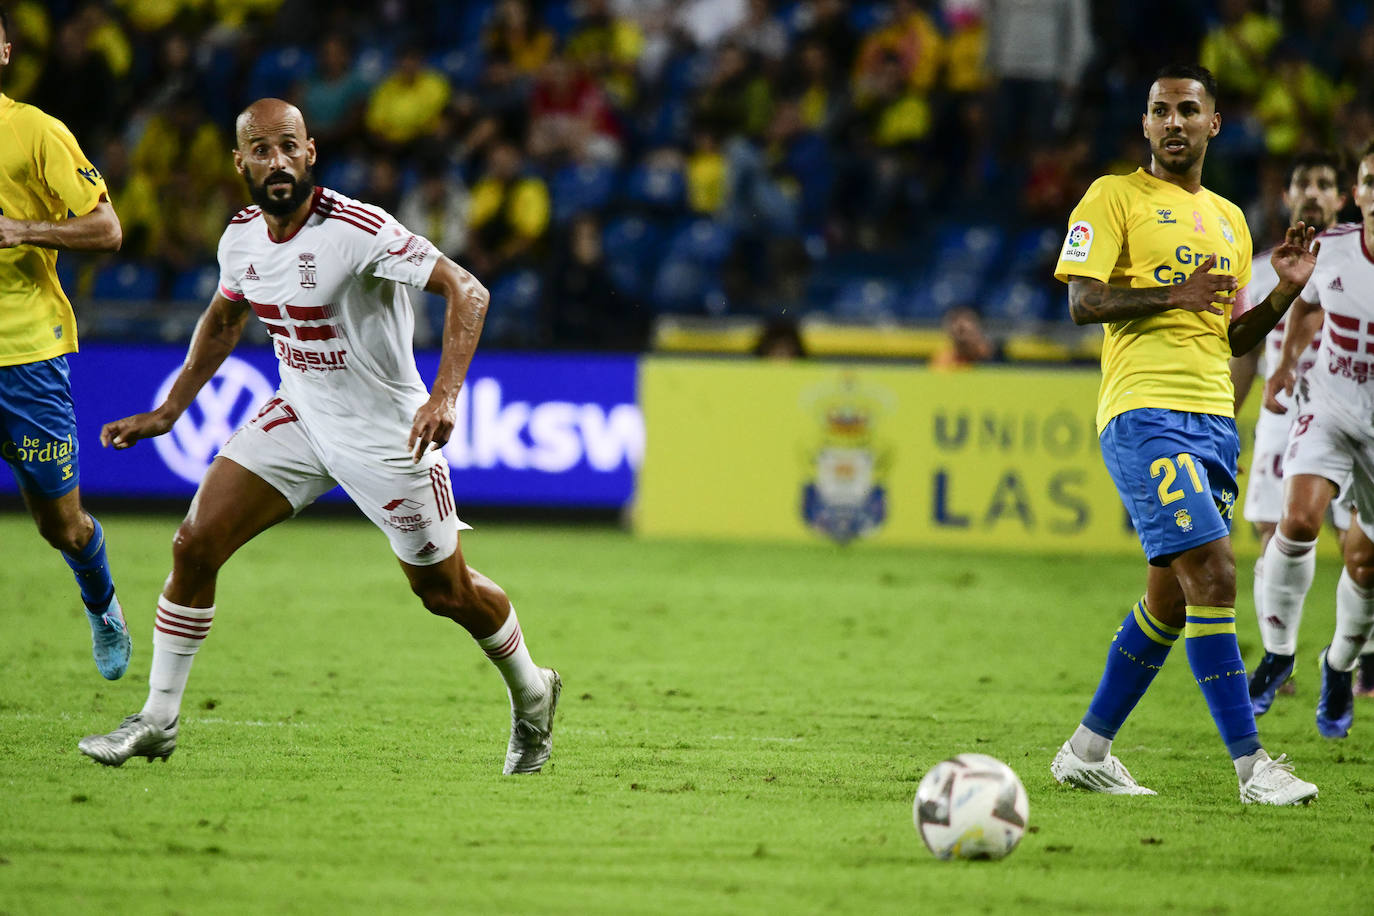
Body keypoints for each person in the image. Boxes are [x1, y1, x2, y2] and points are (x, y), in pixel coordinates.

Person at [77, 99, 560, 773]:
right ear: (240, 162)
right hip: (300, 414)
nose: (276, 161)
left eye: (288, 147)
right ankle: (157, 719)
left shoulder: (358, 229)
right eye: (261, 149)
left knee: (445, 594)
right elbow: (222, 323)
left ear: (310, 155)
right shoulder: (241, 236)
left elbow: (468, 290)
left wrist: (446, 396)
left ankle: (533, 692)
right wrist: (170, 410)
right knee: (194, 544)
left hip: (388, 434)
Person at [1050, 64, 1319, 804]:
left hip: (1211, 419)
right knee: (1216, 575)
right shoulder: (1113, 197)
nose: (1173, 122)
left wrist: (1283, 295)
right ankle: (1252, 768)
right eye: (1159, 110)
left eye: (1187, 110)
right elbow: (1082, 301)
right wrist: (1177, 291)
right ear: (1144, 125)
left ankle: (1086, 751)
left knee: (1171, 600)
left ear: (1213, 123)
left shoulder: (1231, 219)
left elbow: (1232, 337)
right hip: (1143, 412)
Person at [0, 4, 131, 681]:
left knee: (63, 526)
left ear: (5, 53)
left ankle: (102, 601)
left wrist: (23, 231)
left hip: (25, 354)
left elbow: (108, 229)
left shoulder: (34, 132)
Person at [1256, 139, 1374, 740]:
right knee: (1298, 521)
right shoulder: (1332, 251)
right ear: (1359, 194)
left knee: (1365, 562)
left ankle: (1340, 665)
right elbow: (1303, 307)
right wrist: (1284, 366)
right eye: (1371, 182)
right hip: (1329, 405)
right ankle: (1278, 653)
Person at [1227, 151, 1350, 712]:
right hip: (1282, 421)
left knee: (1355, 544)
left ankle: (1357, 655)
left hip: (1351, 415)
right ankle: (1282, 654)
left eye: (1324, 184)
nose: (1312, 193)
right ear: (1285, 197)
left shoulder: (1356, 260)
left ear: (1344, 196)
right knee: (1270, 530)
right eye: (1302, 182)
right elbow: (1244, 353)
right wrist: (1221, 426)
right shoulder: (1254, 272)